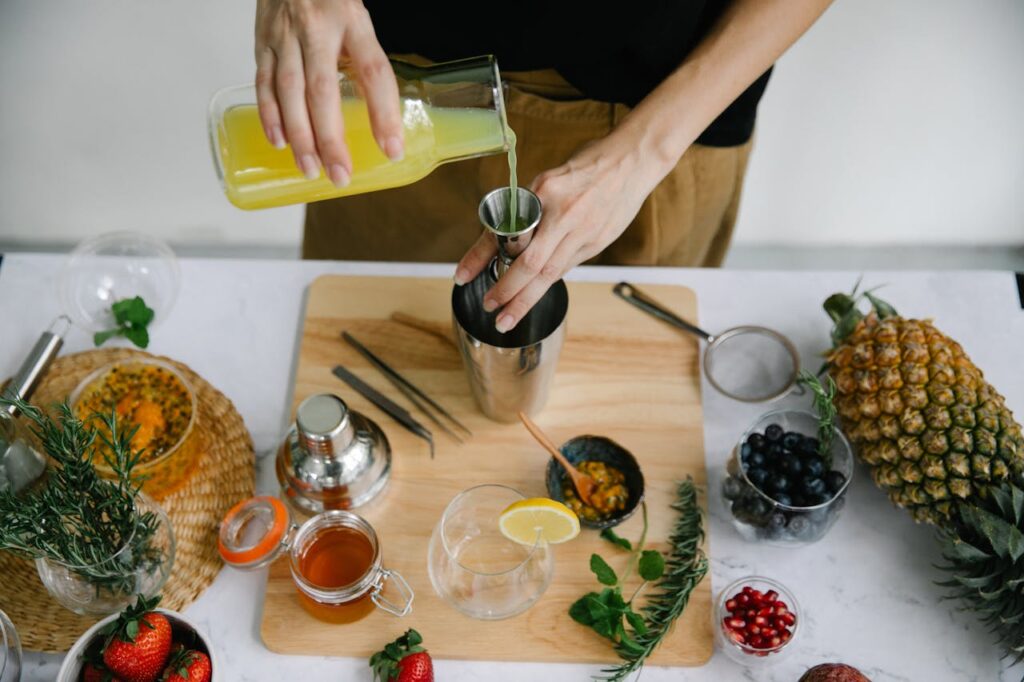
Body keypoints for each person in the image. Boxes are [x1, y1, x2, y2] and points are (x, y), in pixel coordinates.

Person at [254, 0, 833, 332]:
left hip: (656, 115)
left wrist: (646, 150)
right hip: (388, 91)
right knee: (355, 326)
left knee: (635, 362)